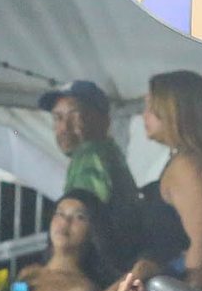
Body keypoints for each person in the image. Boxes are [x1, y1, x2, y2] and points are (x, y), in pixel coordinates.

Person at [139, 70, 202, 291]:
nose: (144, 115)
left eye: (150, 106)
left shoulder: (188, 167)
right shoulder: (190, 162)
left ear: (172, 111)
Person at [39, 80, 136, 213]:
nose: (64, 127)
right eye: (58, 117)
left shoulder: (91, 156)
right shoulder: (108, 153)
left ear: (103, 121)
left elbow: (83, 223)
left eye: (75, 116)